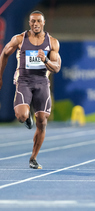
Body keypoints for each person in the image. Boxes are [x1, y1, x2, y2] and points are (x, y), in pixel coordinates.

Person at [0, 10, 61, 169]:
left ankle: (33, 158)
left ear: (43, 22)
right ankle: (27, 119)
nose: (35, 24)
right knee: (20, 116)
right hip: (24, 81)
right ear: (30, 23)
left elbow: (56, 67)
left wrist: (45, 59)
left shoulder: (52, 42)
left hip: (41, 83)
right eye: (33, 21)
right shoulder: (19, 39)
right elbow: (4, 54)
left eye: (38, 21)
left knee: (42, 122)